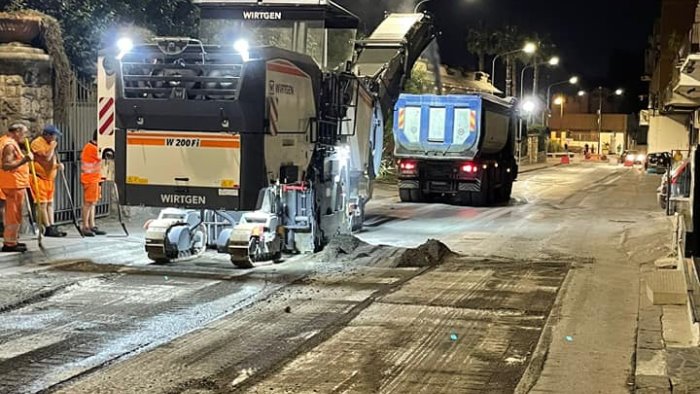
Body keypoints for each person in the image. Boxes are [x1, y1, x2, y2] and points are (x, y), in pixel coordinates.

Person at [0, 123, 33, 252]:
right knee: (13, 214)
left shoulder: (5, 141)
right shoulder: (9, 145)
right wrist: (24, 160)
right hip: (13, 184)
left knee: (14, 213)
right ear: (17, 131)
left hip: (14, 183)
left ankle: (13, 240)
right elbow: (6, 165)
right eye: (24, 133)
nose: (25, 136)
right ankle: (10, 243)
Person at [29, 125, 66, 237]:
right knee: (42, 204)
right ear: (47, 135)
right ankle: (47, 227)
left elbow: (51, 162)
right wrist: (53, 147)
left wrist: (58, 165)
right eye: (54, 136)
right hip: (39, 178)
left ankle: (52, 225)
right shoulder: (37, 143)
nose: (55, 138)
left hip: (49, 179)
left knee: (50, 203)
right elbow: (46, 157)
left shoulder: (50, 144)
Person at [80, 130, 106, 236]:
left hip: (94, 178)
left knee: (92, 203)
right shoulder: (93, 148)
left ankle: (91, 225)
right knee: (88, 203)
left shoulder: (90, 147)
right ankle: (85, 226)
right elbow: (104, 157)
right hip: (90, 178)